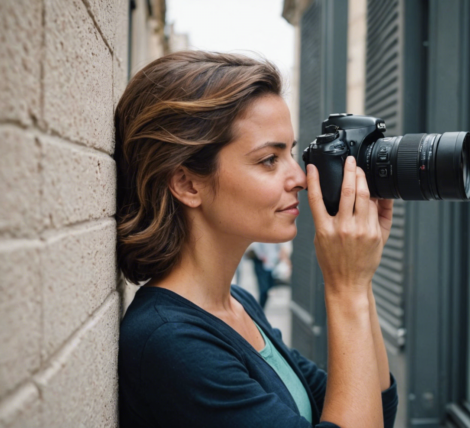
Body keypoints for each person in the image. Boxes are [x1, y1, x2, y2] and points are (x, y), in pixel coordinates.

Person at [115, 51, 398, 427]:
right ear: (187, 183)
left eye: (292, 153)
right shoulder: (170, 342)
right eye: (269, 160)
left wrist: (359, 280)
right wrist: (346, 286)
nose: (298, 177)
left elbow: (376, 408)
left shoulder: (238, 306)